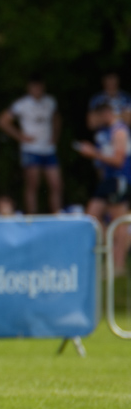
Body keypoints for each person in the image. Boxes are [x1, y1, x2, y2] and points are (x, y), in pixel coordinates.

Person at [76, 99, 131, 276]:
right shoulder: (105, 131)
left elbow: (118, 160)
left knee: (118, 224)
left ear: (108, 112)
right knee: (91, 218)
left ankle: (118, 266)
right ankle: (109, 258)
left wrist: (94, 153)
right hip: (108, 181)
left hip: (118, 180)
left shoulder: (119, 131)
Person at [0, 75, 62, 214]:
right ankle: (32, 217)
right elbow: (2, 121)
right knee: (32, 184)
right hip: (31, 149)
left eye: (39, 86)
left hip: (48, 149)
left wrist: (55, 137)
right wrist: (20, 136)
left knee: (56, 184)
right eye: (34, 86)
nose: (37, 89)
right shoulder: (21, 104)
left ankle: (57, 215)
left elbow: (57, 119)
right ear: (29, 88)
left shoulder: (50, 102)